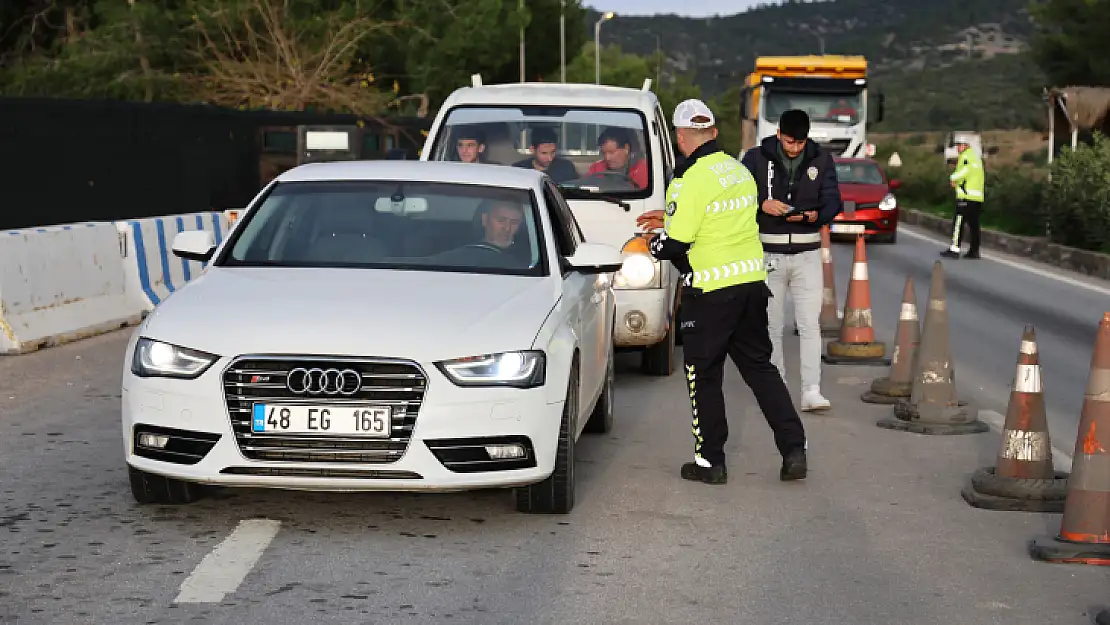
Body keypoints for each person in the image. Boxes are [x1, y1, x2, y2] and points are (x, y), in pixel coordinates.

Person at [636, 99, 808, 485]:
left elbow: (676, 244)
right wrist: (670, 215)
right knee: (761, 370)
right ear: (713, 133)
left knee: (703, 374)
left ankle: (709, 460)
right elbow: (719, 216)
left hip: (711, 294)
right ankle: (794, 448)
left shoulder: (688, 179)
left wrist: (647, 243)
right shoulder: (739, 171)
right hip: (749, 287)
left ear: (681, 138)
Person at [741, 109, 842, 413]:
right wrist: (762, 203)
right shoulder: (756, 158)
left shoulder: (821, 159)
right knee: (770, 324)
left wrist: (815, 215)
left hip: (807, 254)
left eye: (800, 142)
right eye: (789, 141)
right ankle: (777, 387)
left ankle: (812, 390)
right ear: (778, 134)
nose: (795, 147)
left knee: (809, 324)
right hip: (767, 254)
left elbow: (833, 200)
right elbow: (738, 195)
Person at [941, 134, 984, 259]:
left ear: (966, 146)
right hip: (977, 198)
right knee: (974, 225)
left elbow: (965, 171)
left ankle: (954, 249)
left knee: (958, 222)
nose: (958, 148)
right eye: (957, 145)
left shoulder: (965, 157)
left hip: (965, 197)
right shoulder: (975, 157)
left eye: (960, 145)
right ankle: (974, 251)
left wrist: (953, 178)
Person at [512, 127, 579, 183]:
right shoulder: (519, 170)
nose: (550, 158)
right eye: (544, 153)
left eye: (553, 152)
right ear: (532, 149)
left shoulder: (566, 168)